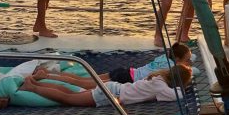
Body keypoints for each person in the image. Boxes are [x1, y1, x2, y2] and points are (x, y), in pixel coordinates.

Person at [21, 64, 192, 107]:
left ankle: (37, 83)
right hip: (110, 94)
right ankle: (33, 87)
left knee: (72, 91)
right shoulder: (161, 88)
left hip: (114, 87)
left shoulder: (157, 79)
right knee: (68, 98)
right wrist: (184, 88)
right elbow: (177, 96)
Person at [42, 42, 195, 85]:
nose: (189, 62)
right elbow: (187, 74)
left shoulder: (164, 58)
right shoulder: (171, 68)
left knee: (86, 79)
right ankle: (47, 76)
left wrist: (186, 60)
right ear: (177, 60)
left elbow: (185, 61)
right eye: (187, 60)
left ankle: (50, 74)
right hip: (126, 79)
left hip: (126, 71)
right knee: (84, 83)